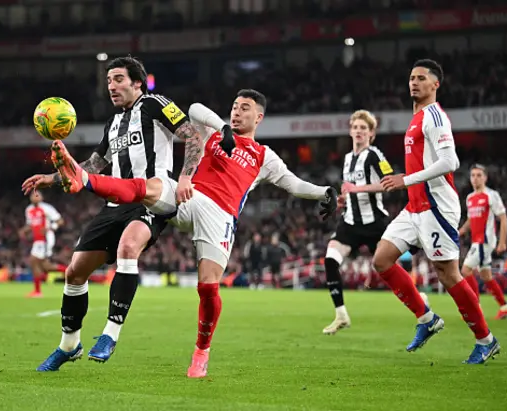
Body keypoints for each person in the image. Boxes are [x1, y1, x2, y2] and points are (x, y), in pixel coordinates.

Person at [49, 89, 340, 377]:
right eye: (235, 106)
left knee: (208, 287)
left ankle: (202, 350)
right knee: (154, 185)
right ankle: (86, 181)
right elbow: (195, 108)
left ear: (259, 117)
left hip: (220, 215)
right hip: (190, 197)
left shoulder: (264, 156)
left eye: (245, 108)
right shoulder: (214, 135)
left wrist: (324, 192)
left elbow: (293, 184)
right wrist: (223, 127)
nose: (237, 112)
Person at [21, 56, 207, 371]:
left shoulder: (155, 104)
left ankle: (110, 334)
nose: (111, 86)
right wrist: (52, 179)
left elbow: (193, 136)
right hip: (114, 203)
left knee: (128, 248)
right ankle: (69, 345)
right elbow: (94, 166)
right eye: (108, 81)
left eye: (118, 79)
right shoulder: (113, 123)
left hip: (151, 196)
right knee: (74, 272)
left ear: (138, 82)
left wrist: (187, 176)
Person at [372, 59, 500, 364]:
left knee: (448, 274)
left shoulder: (434, 116)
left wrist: (406, 179)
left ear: (435, 85)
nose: (414, 83)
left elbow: (449, 163)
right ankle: (427, 318)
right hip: (414, 206)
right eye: (411, 78)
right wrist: (408, 183)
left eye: (421, 78)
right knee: (382, 259)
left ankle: (486, 339)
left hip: (436, 207)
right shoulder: (416, 118)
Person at [322, 110, 393, 335]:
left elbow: (389, 183)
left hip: (375, 224)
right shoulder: (347, 158)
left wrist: (358, 189)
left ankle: (421, 303)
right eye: (356, 127)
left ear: (371, 133)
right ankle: (341, 314)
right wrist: (343, 199)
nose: (359, 131)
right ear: (350, 130)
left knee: (390, 272)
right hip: (351, 223)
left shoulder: (375, 155)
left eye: (364, 128)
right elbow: (349, 188)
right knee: (331, 260)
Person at [458, 164, 507, 319]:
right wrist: (461, 231)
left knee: (465, 270)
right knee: (486, 276)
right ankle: (505, 307)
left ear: (485, 178)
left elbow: (503, 218)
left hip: (485, 241)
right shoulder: (470, 198)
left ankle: (475, 308)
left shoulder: (491, 195)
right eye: (473, 175)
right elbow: (470, 219)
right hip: (477, 241)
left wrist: (502, 242)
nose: (475, 178)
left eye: (479, 175)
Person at [19, 191, 63, 298]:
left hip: (46, 238)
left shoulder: (47, 208)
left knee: (33, 260)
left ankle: (37, 292)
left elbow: (60, 221)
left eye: (37, 195)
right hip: (37, 240)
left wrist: (50, 227)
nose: (35, 197)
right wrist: (23, 230)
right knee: (46, 266)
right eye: (33, 195)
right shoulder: (29, 210)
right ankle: (71, 271)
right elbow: (30, 224)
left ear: (42, 198)